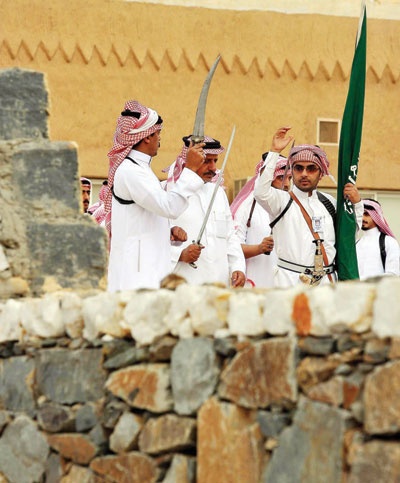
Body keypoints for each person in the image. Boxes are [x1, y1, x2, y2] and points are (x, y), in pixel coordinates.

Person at [104, 100, 205, 292]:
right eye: (158, 133)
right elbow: (169, 207)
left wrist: (166, 229)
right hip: (136, 275)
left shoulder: (141, 168)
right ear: (147, 137)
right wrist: (191, 169)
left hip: (148, 267)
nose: (159, 139)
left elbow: (144, 214)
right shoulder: (131, 171)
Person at [254, 126, 363, 288]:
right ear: (292, 172)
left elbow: (350, 236)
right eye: (299, 168)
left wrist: (357, 204)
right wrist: (274, 152)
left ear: (321, 173)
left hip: (326, 284)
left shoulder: (329, 203)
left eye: (311, 168)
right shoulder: (281, 201)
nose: (304, 173)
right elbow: (260, 193)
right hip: (290, 283)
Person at [165, 135, 246, 288]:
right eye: (207, 161)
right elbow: (151, 241)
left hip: (219, 284)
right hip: (184, 285)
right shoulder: (168, 193)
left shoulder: (218, 193)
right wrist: (180, 255)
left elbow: (230, 235)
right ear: (190, 161)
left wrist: (238, 267)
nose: (213, 168)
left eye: (215, 161)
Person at [231, 155, 291, 288]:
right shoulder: (246, 207)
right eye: (281, 178)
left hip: (285, 285)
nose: (287, 184)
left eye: (289, 178)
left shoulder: (292, 207)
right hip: (254, 283)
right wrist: (259, 248)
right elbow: (231, 247)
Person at [356, 198, 399, 280]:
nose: (362, 218)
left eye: (366, 214)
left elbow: (393, 274)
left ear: (376, 216)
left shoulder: (389, 242)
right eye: (360, 214)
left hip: (380, 288)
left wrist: (363, 281)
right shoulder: (356, 243)